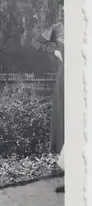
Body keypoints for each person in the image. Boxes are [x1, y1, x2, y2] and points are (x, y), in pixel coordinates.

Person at [32, 22, 64, 193]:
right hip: (66, 78)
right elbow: (36, 41)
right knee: (65, 124)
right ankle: (71, 178)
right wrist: (55, 51)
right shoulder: (59, 27)